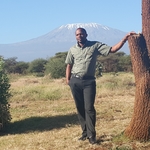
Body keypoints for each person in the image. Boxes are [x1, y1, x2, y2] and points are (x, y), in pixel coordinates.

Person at [65, 27, 135, 144]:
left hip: (89, 82)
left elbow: (112, 49)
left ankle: (92, 136)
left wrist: (125, 39)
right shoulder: (72, 49)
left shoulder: (95, 45)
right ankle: (85, 132)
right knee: (80, 108)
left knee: (89, 108)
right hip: (75, 81)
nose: (79, 36)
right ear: (75, 36)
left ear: (86, 35)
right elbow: (69, 64)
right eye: (77, 34)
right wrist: (68, 80)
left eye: (81, 34)